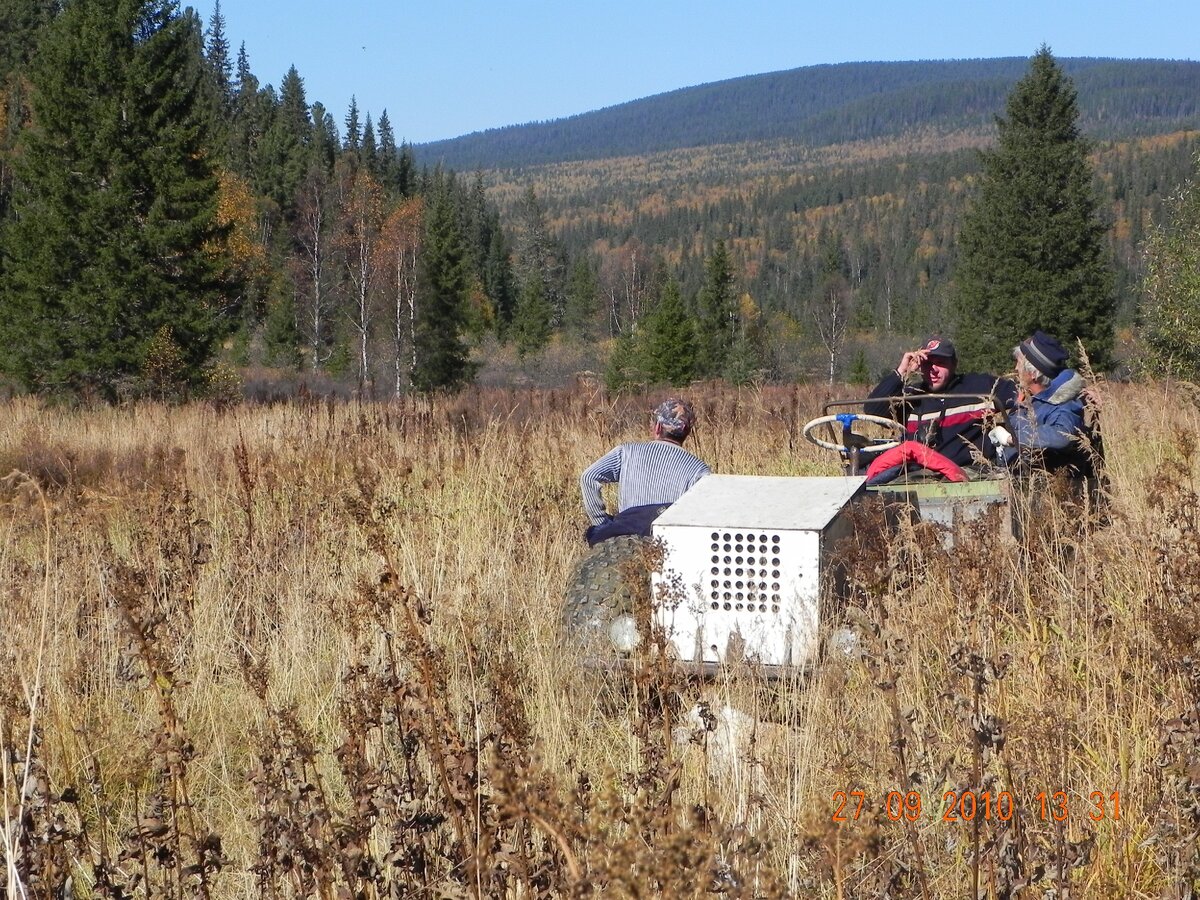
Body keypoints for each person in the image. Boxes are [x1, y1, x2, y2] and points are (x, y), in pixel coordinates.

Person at [865, 336, 1017, 470]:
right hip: (918, 476)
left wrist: (1012, 430)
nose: (933, 369)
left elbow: (1024, 396)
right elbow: (872, 409)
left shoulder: (980, 386)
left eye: (940, 363)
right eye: (927, 363)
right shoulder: (911, 397)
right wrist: (902, 372)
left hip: (971, 474)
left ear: (954, 364)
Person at [580, 397, 711, 546]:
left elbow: (588, 477)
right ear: (687, 432)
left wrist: (602, 524)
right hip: (667, 544)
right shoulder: (699, 470)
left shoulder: (626, 453)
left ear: (658, 428)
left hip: (626, 540)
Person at [988, 330, 1093, 474]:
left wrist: (1011, 438)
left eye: (1018, 363)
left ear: (1033, 374)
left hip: (1045, 486)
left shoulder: (1064, 403)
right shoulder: (1031, 398)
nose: (1015, 368)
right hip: (1014, 476)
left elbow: (1062, 436)